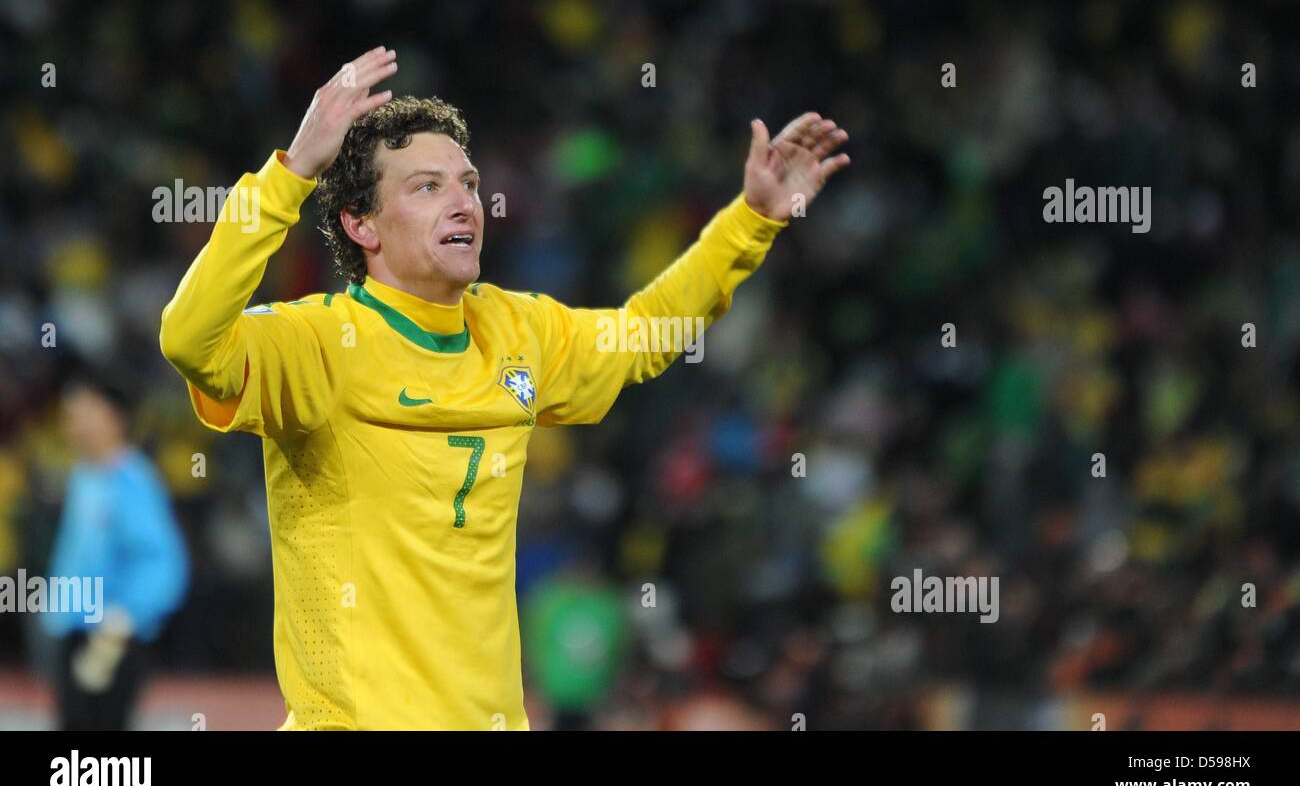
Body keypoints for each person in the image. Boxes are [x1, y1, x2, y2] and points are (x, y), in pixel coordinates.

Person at [159, 45, 849, 729]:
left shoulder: (516, 329)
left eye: (466, 182)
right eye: (426, 187)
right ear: (360, 223)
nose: (463, 202)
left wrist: (752, 220)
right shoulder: (314, 346)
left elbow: (645, 335)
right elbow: (190, 339)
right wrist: (292, 173)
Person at [45, 373, 190, 730]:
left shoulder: (132, 481)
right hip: (73, 630)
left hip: (107, 640)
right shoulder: (84, 474)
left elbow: (163, 561)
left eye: (83, 412)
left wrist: (125, 616)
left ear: (113, 418)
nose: (72, 423)